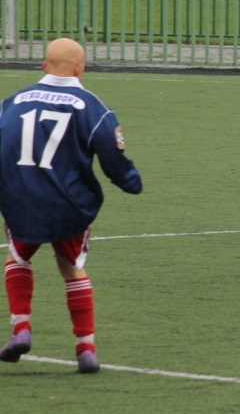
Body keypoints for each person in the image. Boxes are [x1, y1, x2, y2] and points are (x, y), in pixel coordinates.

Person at [0, 39, 143, 373]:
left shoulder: (12, 102)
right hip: (69, 203)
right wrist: (131, 182)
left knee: (18, 256)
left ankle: (21, 329)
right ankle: (86, 349)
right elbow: (112, 151)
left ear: (43, 66)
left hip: (22, 199)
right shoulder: (91, 106)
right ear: (81, 68)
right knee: (71, 267)